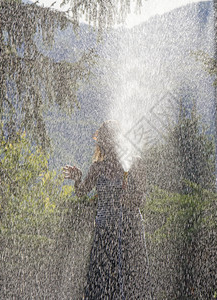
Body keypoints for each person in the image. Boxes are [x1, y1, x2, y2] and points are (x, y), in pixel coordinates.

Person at [63, 120, 151, 299]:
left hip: (128, 230)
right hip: (104, 231)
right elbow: (81, 192)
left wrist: (129, 199)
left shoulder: (134, 164)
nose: (106, 143)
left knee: (129, 277)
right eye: (103, 140)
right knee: (102, 278)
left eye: (109, 139)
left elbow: (142, 198)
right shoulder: (98, 168)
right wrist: (78, 179)